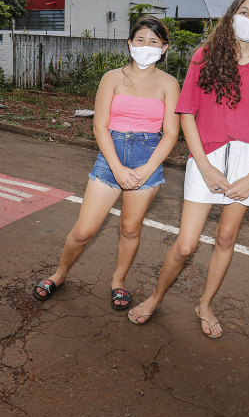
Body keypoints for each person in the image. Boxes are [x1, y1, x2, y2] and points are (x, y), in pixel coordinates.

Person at [127, 0, 249, 337]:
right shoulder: (205, 56)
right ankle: (156, 297)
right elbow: (186, 113)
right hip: (206, 156)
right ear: (232, 14)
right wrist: (203, 164)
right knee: (186, 243)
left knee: (226, 237)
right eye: (244, 11)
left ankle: (205, 304)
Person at [32, 16, 181, 310]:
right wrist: (117, 168)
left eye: (154, 41)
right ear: (129, 44)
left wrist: (145, 170)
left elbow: (171, 133)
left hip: (147, 159)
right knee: (84, 230)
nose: (145, 46)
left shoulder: (170, 84)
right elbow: (100, 126)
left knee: (130, 228)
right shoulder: (111, 78)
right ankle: (59, 274)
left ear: (164, 48)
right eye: (140, 40)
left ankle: (118, 281)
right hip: (111, 156)